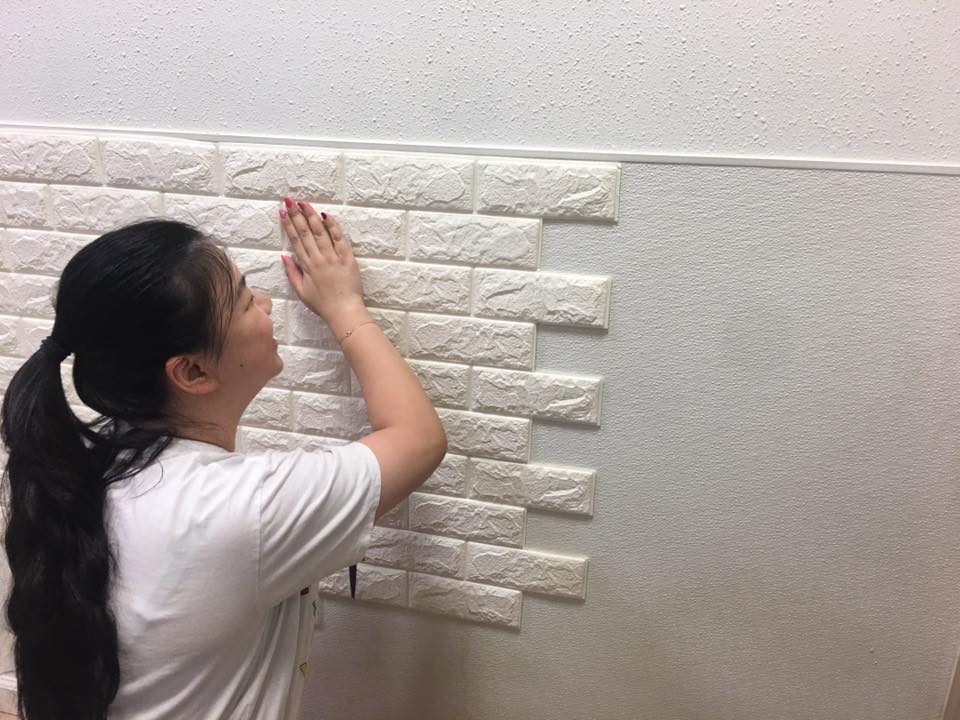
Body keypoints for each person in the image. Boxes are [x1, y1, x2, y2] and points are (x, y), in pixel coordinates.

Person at [0, 197, 447, 720]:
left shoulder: (76, 471)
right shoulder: (238, 509)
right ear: (191, 372)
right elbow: (418, 439)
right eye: (243, 299)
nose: (267, 304)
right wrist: (347, 309)